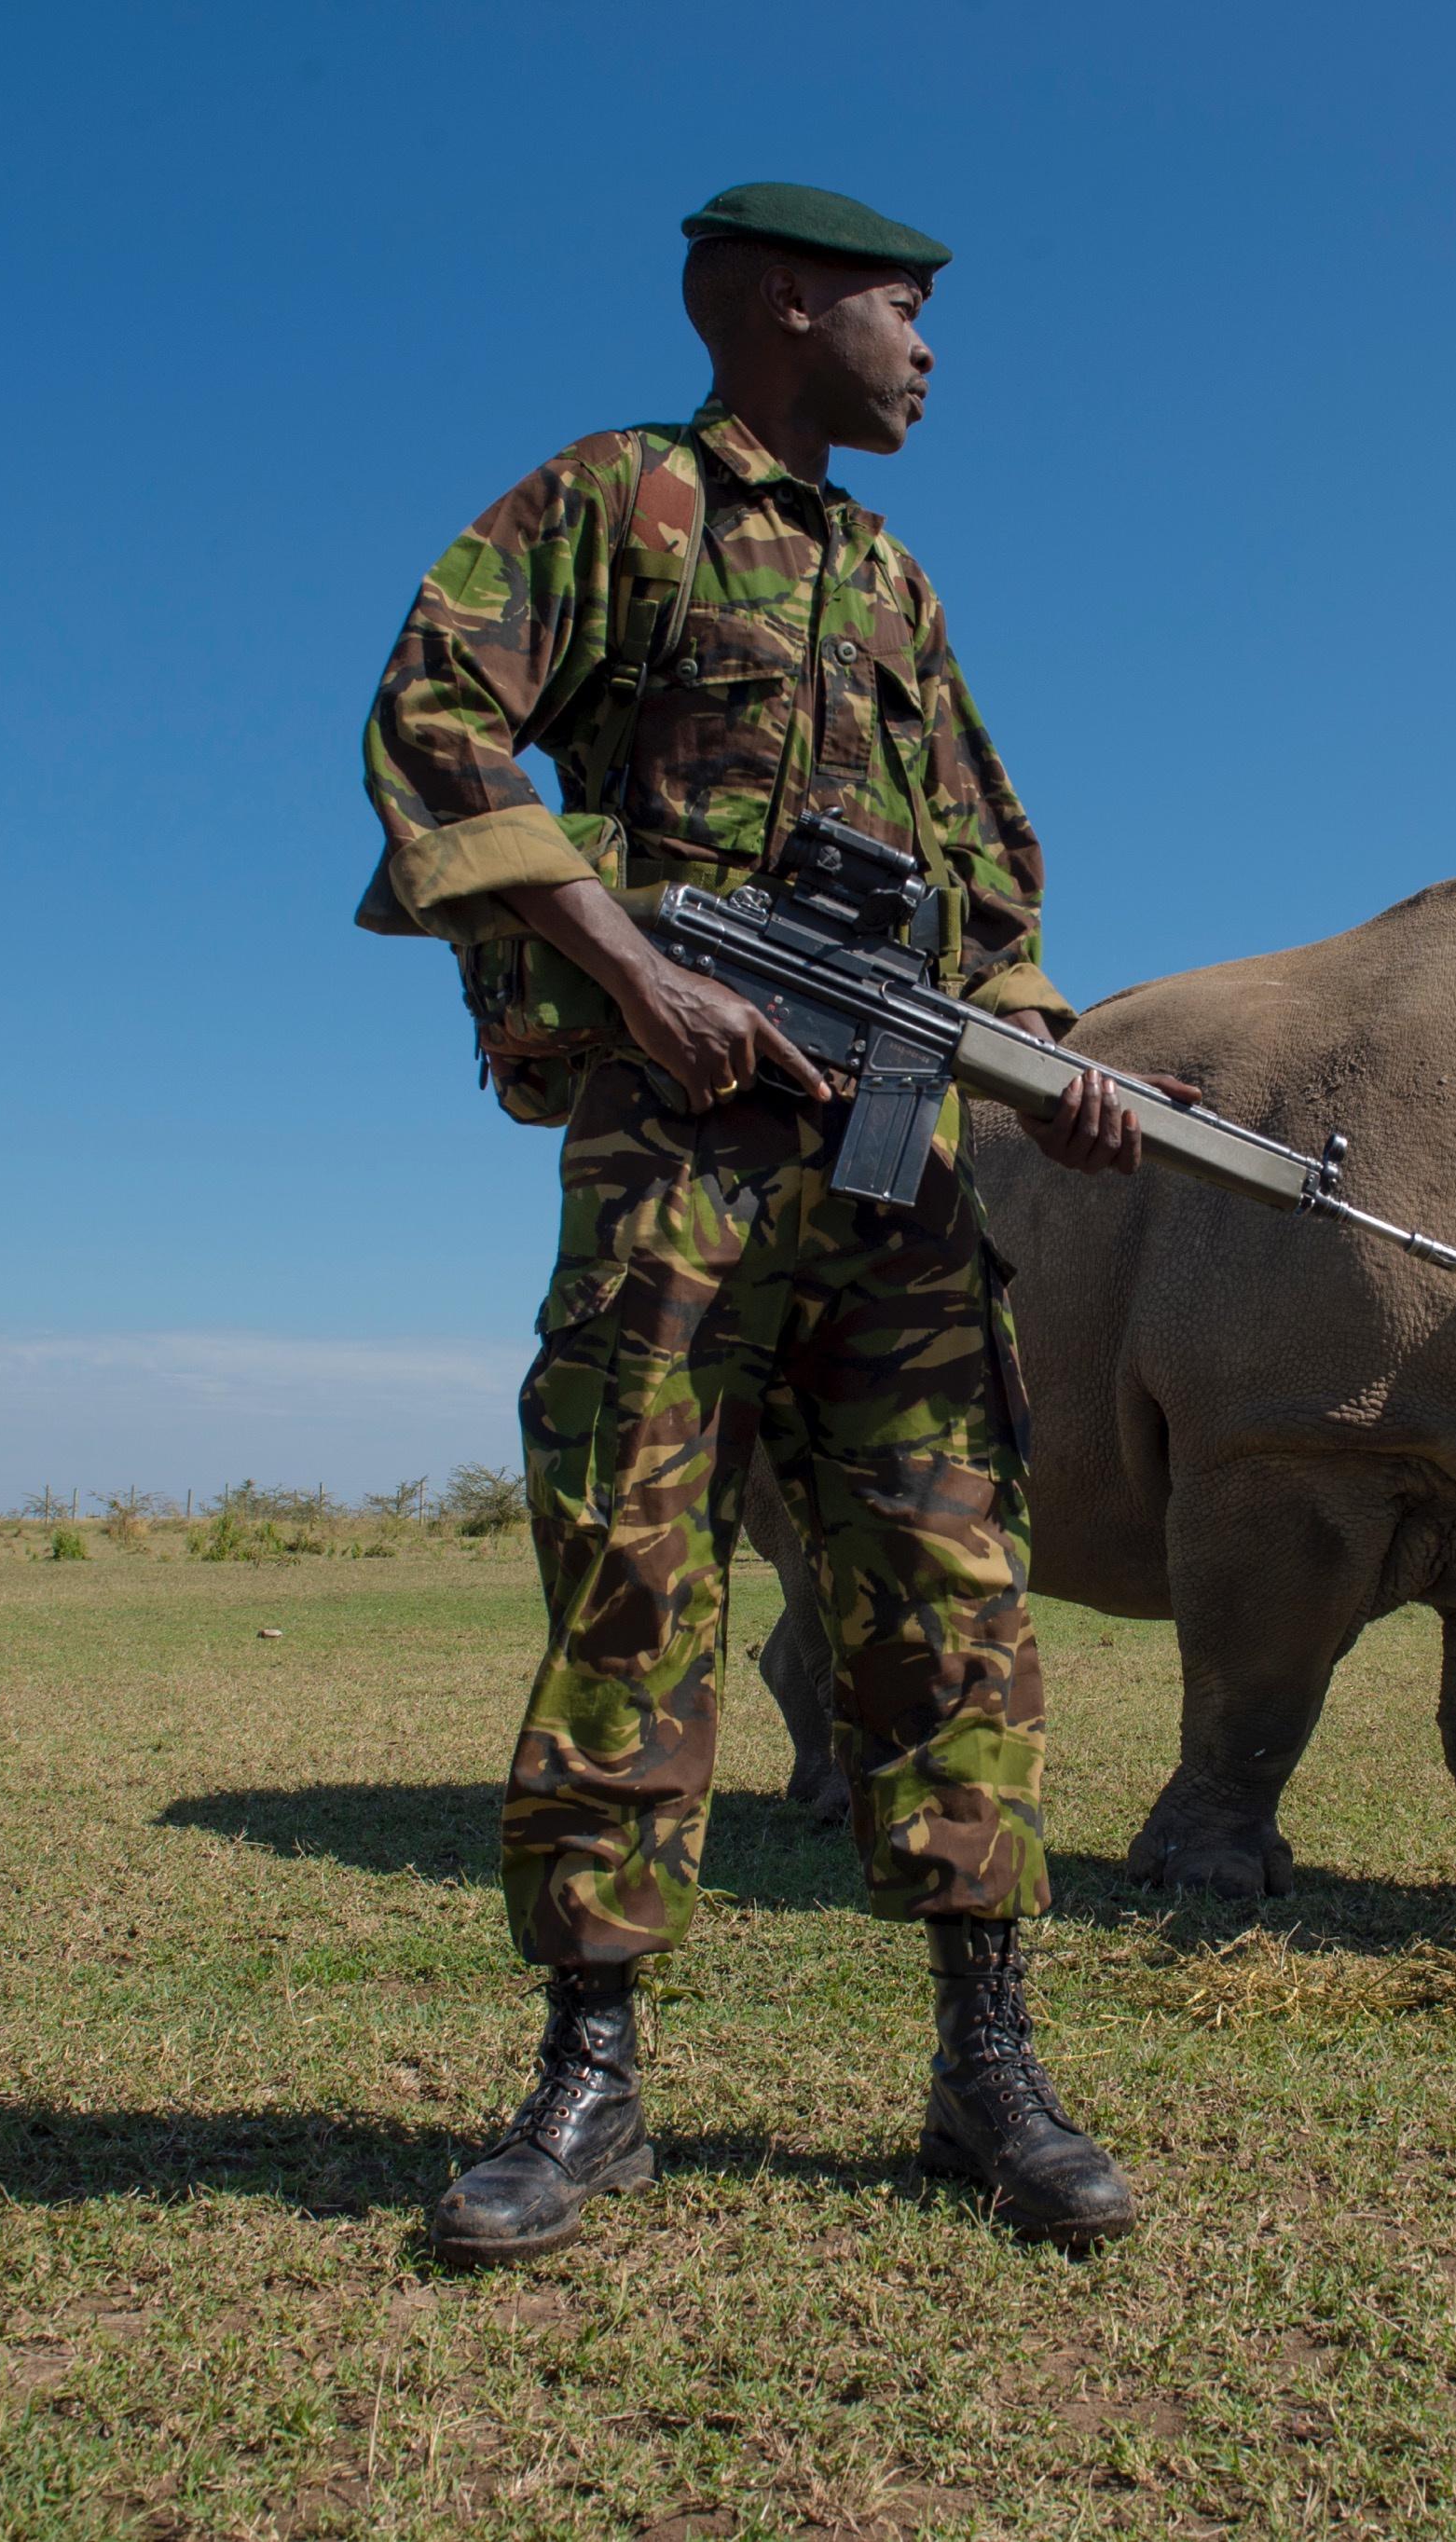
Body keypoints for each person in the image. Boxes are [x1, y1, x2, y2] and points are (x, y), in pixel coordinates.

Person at [358, 184, 1158, 2263]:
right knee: (633, 1586)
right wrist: (634, 971)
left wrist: (1039, 1055)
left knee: (949, 1592)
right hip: (678, 1168)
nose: (926, 347)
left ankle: (985, 2063)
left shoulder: (896, 580)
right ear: (785, 302)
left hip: (893, 1186)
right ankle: (591, 2075)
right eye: (904, 307)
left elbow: (986, 858)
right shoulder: (621, 498)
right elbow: (435, 717)